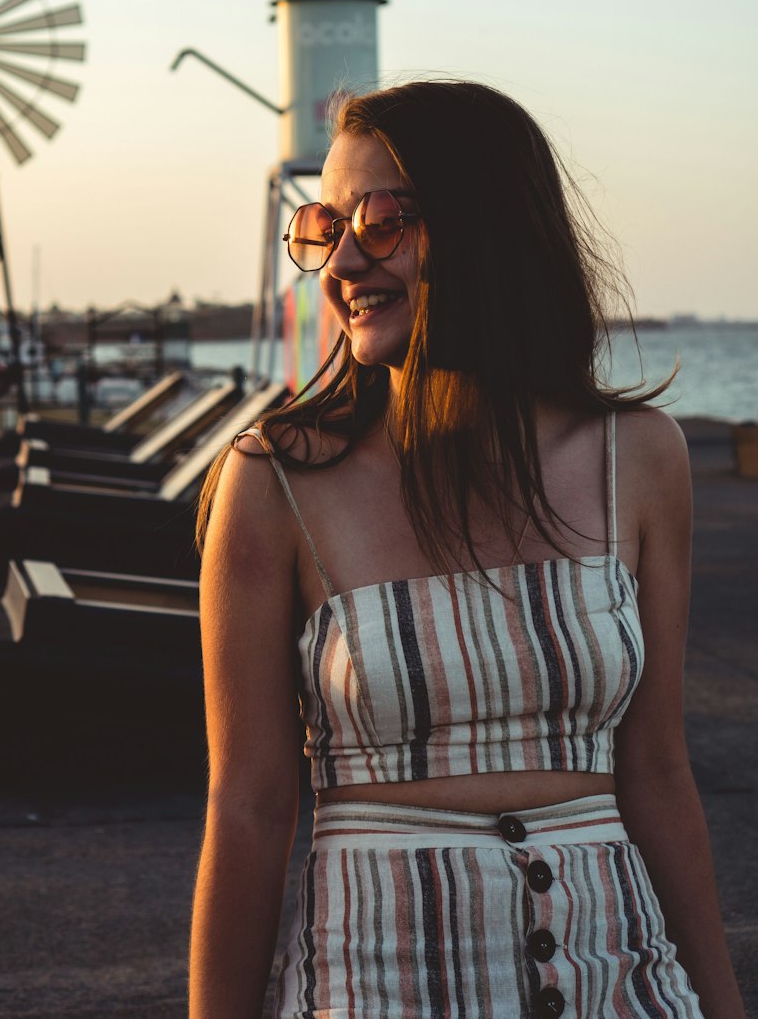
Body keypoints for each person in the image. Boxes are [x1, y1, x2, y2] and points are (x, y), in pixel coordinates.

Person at [188, 81, 743, 1019]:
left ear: (489, 228)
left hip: (627, 983)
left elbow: (652, 770)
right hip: (375, 991)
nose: (343, 259)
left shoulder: (640, 461)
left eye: (382, 219)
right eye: (326, 226)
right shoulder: (275, 486)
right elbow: (246, 810)